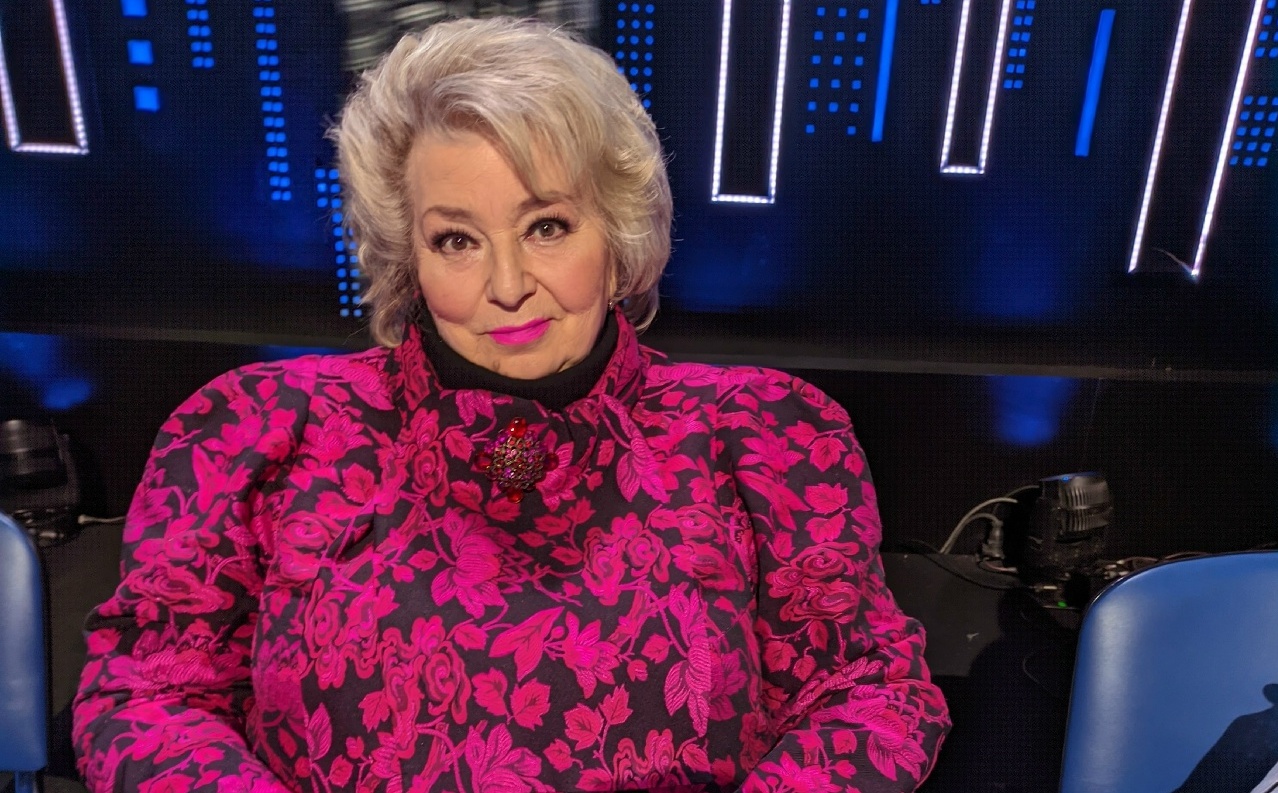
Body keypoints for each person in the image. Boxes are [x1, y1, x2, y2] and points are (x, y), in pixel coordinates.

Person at [73, 16, 949, 792]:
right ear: (408, 256)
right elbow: (146, 694)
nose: (507, 285)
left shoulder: (763, 435)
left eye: (547, 227)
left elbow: (869, 692)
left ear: (618, 235)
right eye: (457, 239)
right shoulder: (258, 428)